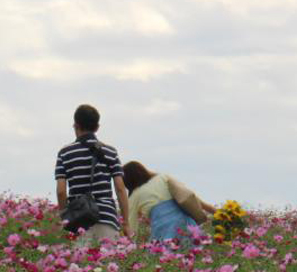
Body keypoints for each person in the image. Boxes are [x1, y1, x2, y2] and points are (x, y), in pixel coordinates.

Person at [55, 104, 129, 246]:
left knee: (82, 266)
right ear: (97, 127)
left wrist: (65, 219)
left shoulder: (65, 153)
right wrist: (126, 222)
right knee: (108, 265)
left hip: (79, 221)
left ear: (76, 125)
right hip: (107, 218)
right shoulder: (110, 151)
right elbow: (120, 188)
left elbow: (61, 191)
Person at [122, 160, 217, 244]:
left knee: (168, 258)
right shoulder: (163, 178)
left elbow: (131, 227)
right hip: (185, 224)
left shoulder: (134, 196)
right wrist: (216, 211)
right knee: (195, 254)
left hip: (163, 231)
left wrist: (129, 246)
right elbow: (188, 196)